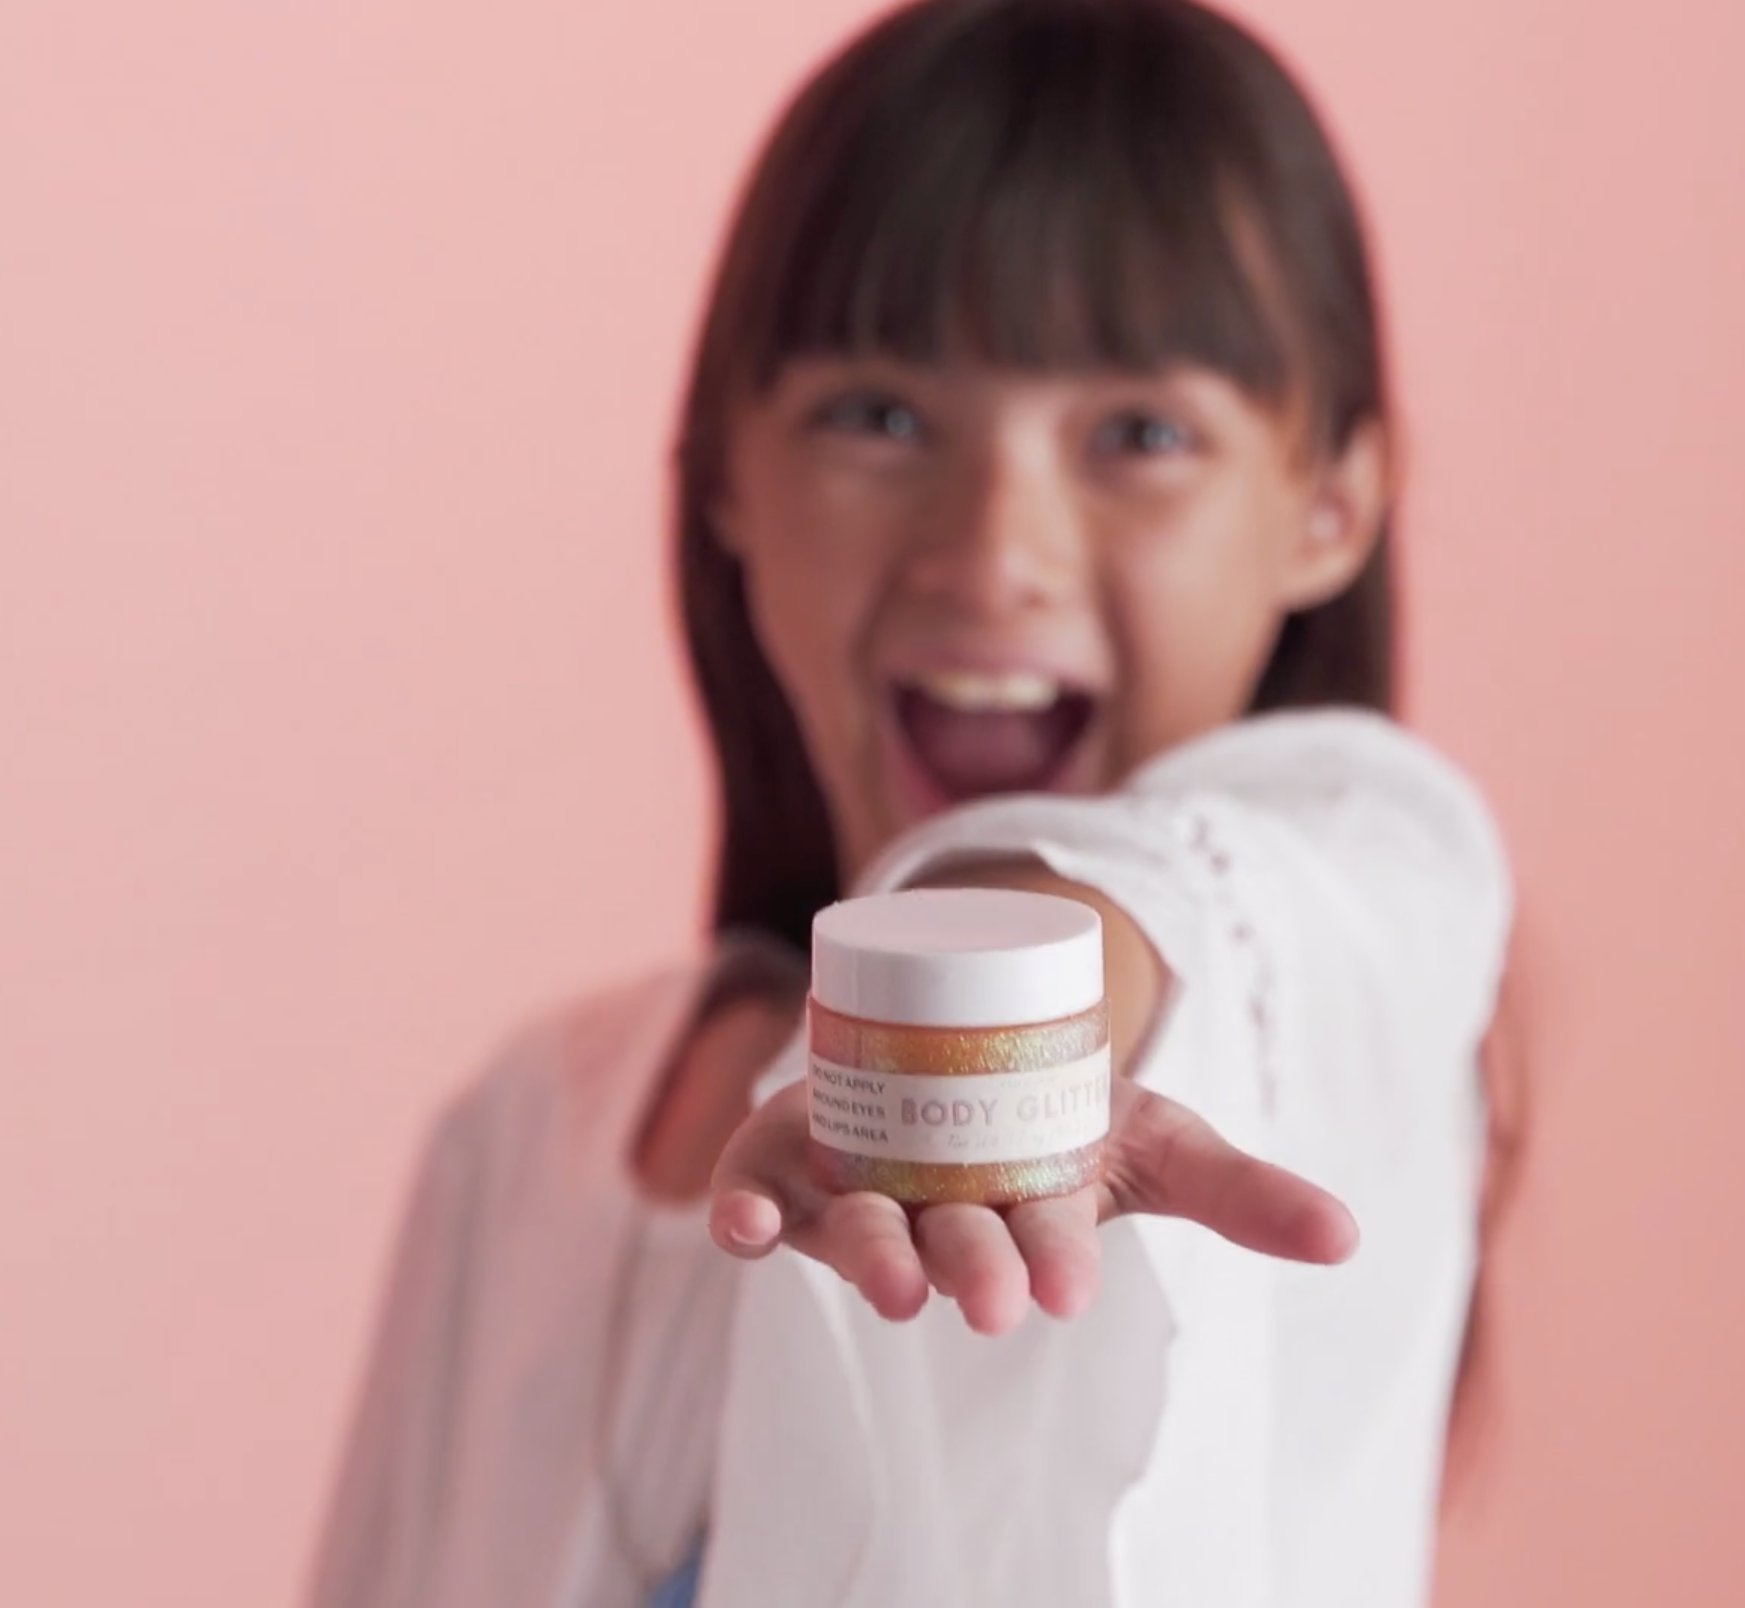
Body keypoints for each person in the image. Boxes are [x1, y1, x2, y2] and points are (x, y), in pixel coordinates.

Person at [309, 0, 1513, 1604]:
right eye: (880, 415)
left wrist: (998, 1026)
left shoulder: (1344, 935)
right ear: (725, 467)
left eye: (1140, 434)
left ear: (1332, 504)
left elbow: (1183, 893)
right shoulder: (529, 1125)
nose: (994, 549)